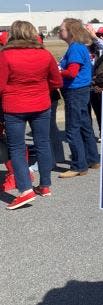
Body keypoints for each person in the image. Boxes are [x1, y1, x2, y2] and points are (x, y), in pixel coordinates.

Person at [0, 21, 62, 209]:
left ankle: (25, 190)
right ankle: (45, 185)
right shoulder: (45, 54)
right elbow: (57, 81)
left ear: (14, 34)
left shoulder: (5, 55)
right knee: (42, 143)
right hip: (41, 104)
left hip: (15, 106)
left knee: (17, 148)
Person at [58, 18, 100, 177]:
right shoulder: (78, 47)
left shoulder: (75, 48)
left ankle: (78, 166)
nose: (59, 32)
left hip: (75, 92)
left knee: (72, 130)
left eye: (62, 29)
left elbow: (72, 72)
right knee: (85, 126)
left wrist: (57, 72)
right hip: (81, 91)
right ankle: (92, 158)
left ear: (71, 32)